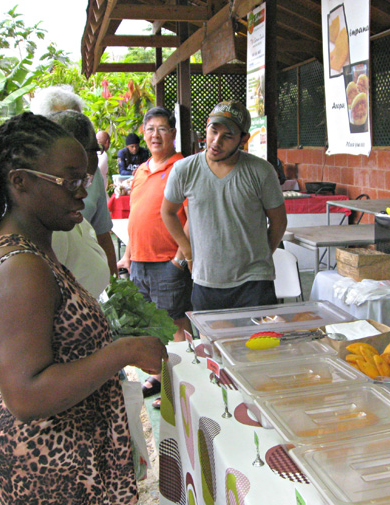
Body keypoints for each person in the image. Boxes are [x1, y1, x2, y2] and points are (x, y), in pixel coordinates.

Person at [0, 112, 167, 503]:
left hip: (61, 457)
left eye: (84, 178)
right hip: (46, 465)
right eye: (70, 181)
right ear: (20, 181)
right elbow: (27, 395)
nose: (83, 191)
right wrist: (125, 351)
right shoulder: (21, 269)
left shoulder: (33, 250)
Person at [161, 100, 287, 311]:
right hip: (206, 281)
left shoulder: (261, 172)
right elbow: (168, 212)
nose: (216, 141)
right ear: (207, 125)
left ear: (243, 139)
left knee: (260, 343)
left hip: (254, 284)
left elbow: (279, 221)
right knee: (210, 344)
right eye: (213, 130)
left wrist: (261, 255)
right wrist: (188, 252)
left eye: (228, 136)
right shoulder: (184, 170)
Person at [116, 107, 192, 399]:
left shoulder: (182, 167)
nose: (155, 135)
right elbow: (137, 215)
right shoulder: (141, 170)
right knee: (149, 324)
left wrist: (179, 259)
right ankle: (161, 377)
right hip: (140, 263)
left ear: (173, 134)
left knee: (174, 323)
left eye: (162, 128)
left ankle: (183, 384)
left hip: (167, 263)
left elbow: (192, 218)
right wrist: (128, 255)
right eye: (150, 129)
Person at [48, 110, 113, 295]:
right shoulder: (47, 230)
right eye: (74, 181)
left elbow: (103, 234)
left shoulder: (75, 218)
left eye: (87, 180)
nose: (84, 192)